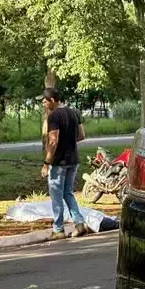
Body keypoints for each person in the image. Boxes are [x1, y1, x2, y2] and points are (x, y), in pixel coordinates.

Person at [40, 88, 88, 240]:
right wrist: (69, 143)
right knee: (68, 193)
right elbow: (81, 135)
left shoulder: (54, 116)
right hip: (73, 160)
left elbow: (53, 141)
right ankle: (79, 223)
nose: (43, 103)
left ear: (52, 100)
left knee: (56, 195)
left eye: (45, 100)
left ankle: (58, 229)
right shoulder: (73, 113)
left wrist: (46, 163)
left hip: (59, 162)